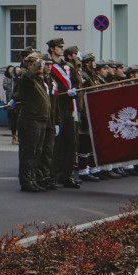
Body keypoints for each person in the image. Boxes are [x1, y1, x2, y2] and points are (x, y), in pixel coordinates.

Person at [11, 52, 50, 192]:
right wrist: (37, 63)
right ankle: (26, 181)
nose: (42, 65)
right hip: (30, 120)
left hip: (40, 119)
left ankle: (32, 179)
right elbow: (27, 76)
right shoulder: (26, 78)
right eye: (38, 63)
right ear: (30, 64)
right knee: (29, 152)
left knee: (37, 152)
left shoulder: (39, 79)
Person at [49, 41, 81, 189]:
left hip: (69, 107)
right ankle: (52, 176)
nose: (62, 49)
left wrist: (74, 90)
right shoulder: (49, 66)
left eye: (62, 47)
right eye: (59, 47)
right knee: (56, 144)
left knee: (71, 142)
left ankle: (67, 176)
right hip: (56, 108)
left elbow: (76, 82)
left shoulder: (68, 66)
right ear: (52, 49)